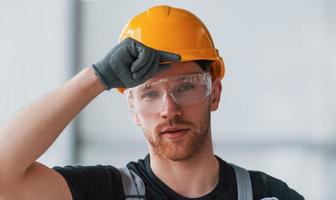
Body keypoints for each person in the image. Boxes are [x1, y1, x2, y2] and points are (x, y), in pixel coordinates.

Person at [0, 5, 304, 200]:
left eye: (186, 87)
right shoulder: (105, 192)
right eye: (149, 94)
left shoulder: (268, 196)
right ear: (132, 109)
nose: (169, 110)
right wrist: (97, 77)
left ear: (215, 93)